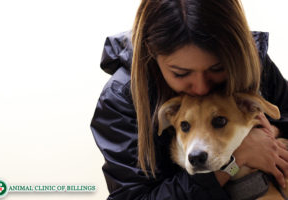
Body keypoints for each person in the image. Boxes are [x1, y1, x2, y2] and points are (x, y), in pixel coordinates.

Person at [91, 0, 288, 199]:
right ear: (151, 51)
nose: (201, 88)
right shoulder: (120, 100)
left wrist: (271, 131)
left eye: (217, 69)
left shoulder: (252, 61)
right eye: (181, 73)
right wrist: (235, 160)